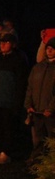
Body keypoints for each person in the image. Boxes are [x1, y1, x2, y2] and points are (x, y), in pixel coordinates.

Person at [0, 33, 28, 164]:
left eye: (7, 42)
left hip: (8, 100)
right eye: (1, 42)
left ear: (13, 44)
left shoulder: (18, 60)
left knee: (8, 127)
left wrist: (17, 102)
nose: (3, 44)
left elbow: (21, 83)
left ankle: (6, 153)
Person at [24, 37, 55, 165]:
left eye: (52, 49)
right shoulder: (38, 67)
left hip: (50, 113)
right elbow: (30, 87)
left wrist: (51, 108)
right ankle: (35, 162)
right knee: (38, 138)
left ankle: (51, 165)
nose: (50, 51)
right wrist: (28, 104)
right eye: (48, 48)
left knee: (52, 139)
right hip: (37, 111)